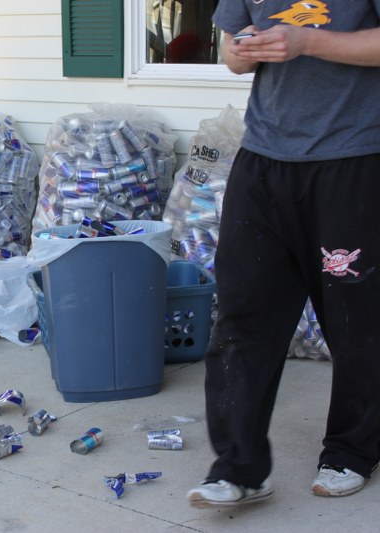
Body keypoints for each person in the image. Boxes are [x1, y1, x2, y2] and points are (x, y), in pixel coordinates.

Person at [187, 0, 380, 508]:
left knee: (357, 320)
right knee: (242, 317)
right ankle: (238, 468)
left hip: (354, 158)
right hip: (263, 159)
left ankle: (352, 451)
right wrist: (244, 51)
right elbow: (232, 56)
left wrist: (308, 40)